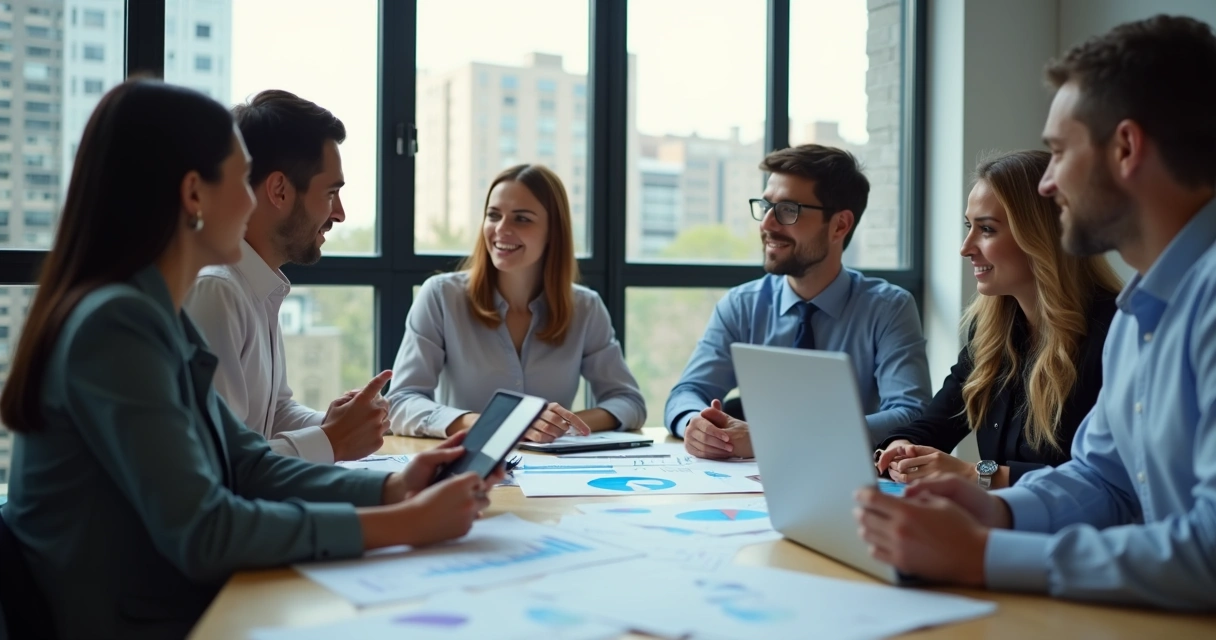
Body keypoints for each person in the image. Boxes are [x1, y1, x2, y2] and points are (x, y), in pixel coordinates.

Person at [0, 80, 501, 638]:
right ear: (195, 195)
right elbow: (205, 529)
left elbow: (248, 465)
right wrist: (399, 524)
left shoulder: (159, 317)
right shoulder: (117, 325)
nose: (253, 198)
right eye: (241, 179)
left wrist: (397, 488)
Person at [855, 15, 1216, 609]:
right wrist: (992, 507)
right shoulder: (1139, 316)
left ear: (1125, 148)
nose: (1047, 185)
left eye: (1057, 153)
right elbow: (1105, 481)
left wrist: (983, 553)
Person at [666, 144, 931, 459]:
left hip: (848, 480)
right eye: (765, 207)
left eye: (787, 210)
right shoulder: (741, 305)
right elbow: (685, 394)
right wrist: (695, 424)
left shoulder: (888, 308)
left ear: (840, 226)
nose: (766, 224)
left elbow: (911, 414)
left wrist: (776, 438)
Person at [874, 151, 1121, 490]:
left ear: (1041, 237)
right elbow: (934, 423)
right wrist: (901, 446)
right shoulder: (990, 331)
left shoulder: (1116, 333)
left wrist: (974, 474)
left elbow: (1096, 481)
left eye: (986, 229)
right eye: (968, 226)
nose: (965, 248)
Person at [183, 90, 389, 464]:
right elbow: (217, 462)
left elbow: (272, 414)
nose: (339, 213)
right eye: (331, 193)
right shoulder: (217, 291)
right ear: (279, 190)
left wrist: (334, 424)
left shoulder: (258, 286)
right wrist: (331, 440)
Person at [386, 164, 646, 441]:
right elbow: (400, 402)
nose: (501, 229)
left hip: (551, 474)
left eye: (522, 219)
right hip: (465, 470)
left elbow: (629, 402)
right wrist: (488, 423)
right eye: (493, 215)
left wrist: (556, 424)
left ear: (553, 232)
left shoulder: (586, 307)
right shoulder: (441, 296)